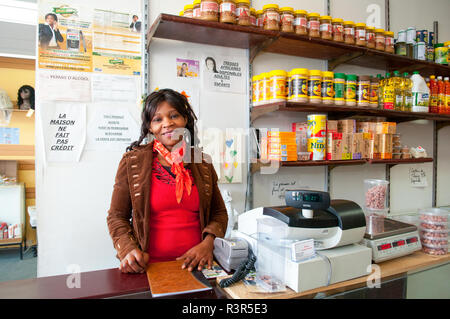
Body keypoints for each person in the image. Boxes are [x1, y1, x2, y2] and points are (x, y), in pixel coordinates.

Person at [107, 89, 228, 274]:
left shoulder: (202, 163)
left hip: (199, 268)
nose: (168, 124)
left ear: (185, 120)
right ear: (149, 126)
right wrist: (128, 249)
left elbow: (219, 212)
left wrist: (208, 244)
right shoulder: (132, 162)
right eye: (158, 119)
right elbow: (116, 216)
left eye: (174, 116)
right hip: (149, 269)